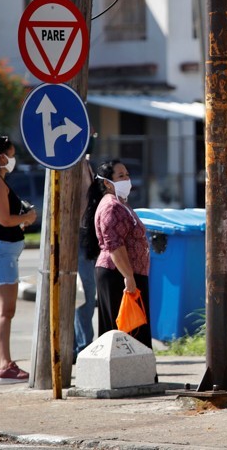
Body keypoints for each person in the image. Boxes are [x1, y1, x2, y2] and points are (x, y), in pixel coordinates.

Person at [0, 136, 36, 382]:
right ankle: (5, 366)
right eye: (10, 154)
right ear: (1, 157)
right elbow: (4, 220)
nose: (13, 159)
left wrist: (20, 219)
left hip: (0, 249)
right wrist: (27, 217)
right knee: (6, 311)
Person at [90, 159, 153, 351]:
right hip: (119, 276)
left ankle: (138, 377)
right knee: (124, 333)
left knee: (134, 330)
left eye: (127, 174)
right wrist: (129, 277)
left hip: (129, 274)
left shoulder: (120, 203)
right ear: (107, 183)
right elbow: (114, 246)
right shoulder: (111, 206)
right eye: (121, 176)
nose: (127, 178)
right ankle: (125, 378)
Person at [74, 134, 98, 358]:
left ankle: (78, 345)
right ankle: (83, 346)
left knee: (84, 294)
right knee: (85, 294)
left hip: (86, 234)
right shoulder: (73, 164)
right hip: (77, 235)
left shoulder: (85, 163)